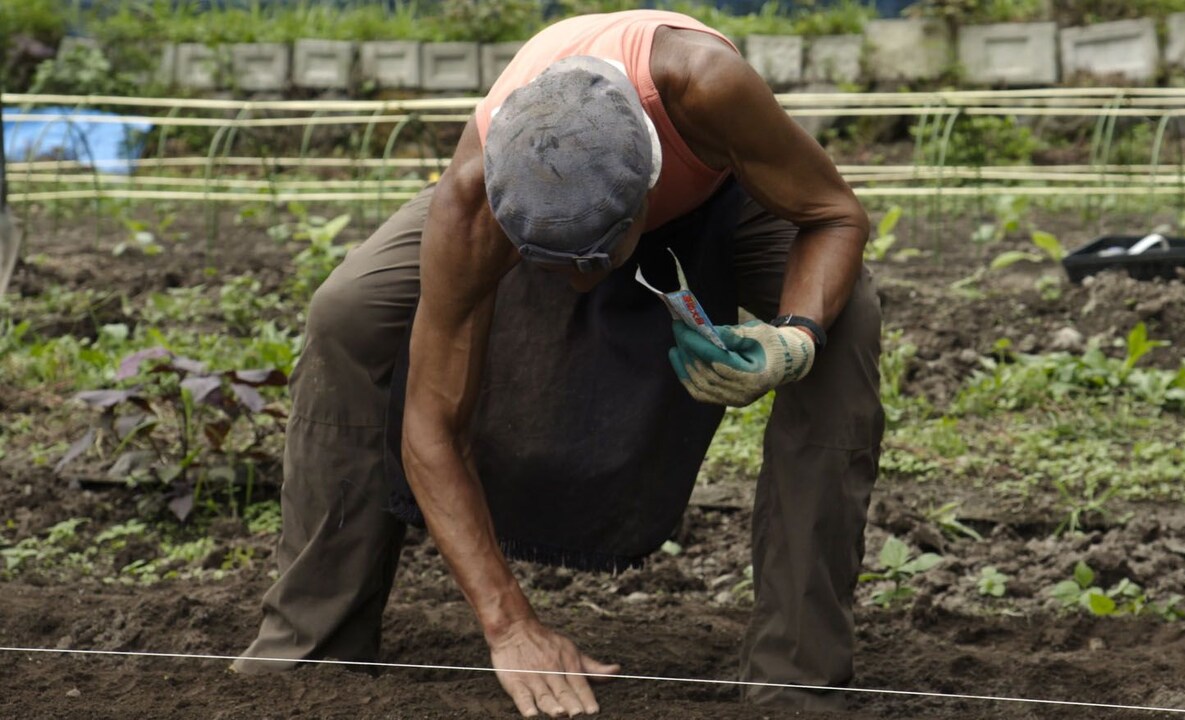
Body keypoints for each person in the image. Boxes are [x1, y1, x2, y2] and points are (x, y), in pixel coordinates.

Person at [234, 9, 884, 717]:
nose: (581, 285)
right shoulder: (476, 195)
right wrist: (508, 624)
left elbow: (833, 214)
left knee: (846, 321)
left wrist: (795, 339)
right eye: (556, 265)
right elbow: (432, 426)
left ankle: (797, 677)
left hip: (714, 180)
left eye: (595, 263)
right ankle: (312, 646)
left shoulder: (705, 87)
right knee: (348, 313)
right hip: (528, 184)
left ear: (641, 205)